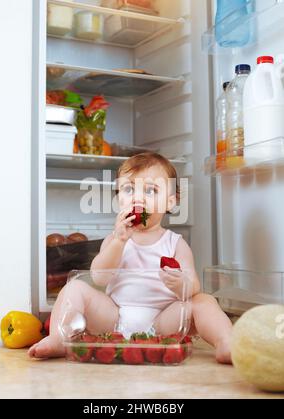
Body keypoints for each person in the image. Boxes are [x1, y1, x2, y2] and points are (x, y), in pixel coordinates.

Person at [29, 152, 232, 364]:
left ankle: (226, 341)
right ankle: (59, 339)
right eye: (128, 189)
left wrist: (181, 283)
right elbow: (99, 277)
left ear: (170, 202)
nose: (138, 198)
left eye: (151, 190)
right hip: (114, 318)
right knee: (74, 288)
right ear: (119, 199)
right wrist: (118, 241)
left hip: (162, 321)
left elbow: (193, 286)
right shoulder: (115, 239)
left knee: (204, 301)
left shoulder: (175, 242)